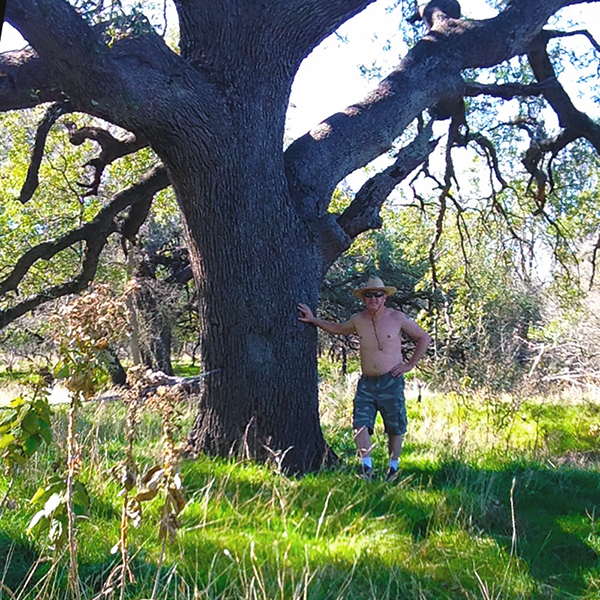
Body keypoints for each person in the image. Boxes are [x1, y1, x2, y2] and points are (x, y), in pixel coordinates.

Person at [298, 277, 431, 481]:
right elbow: (339, 328)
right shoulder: (358, 320)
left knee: (395, 426)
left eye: (377, 294)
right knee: (360, 423)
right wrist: (314, 320)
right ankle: (366, 468)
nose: (373, 299)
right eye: (368, 295)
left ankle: (393, 469)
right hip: (367, 382)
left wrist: (409, 364)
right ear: (363, 298)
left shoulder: (397, 318)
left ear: (384, 296)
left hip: (391, 381)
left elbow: (423, 337)